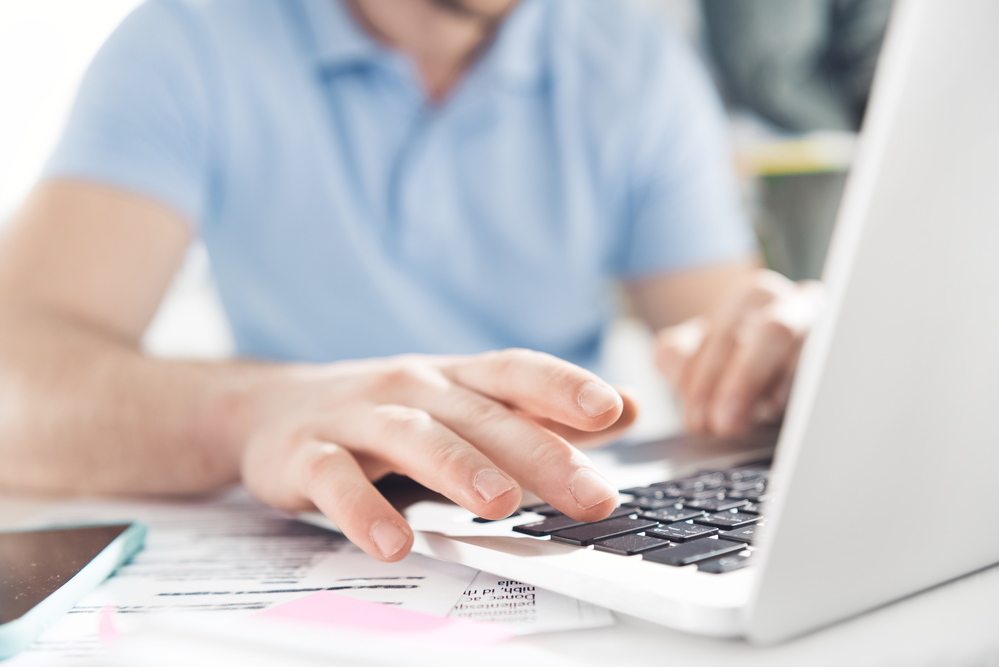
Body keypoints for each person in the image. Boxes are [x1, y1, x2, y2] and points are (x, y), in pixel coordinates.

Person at [0, 0, 821, 563]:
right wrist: (256, 410)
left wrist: (790, 348)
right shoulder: (189, 39)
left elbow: (719, 345)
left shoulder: (634, 59)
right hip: (310, 538)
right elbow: (16, 381)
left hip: (552, 531)